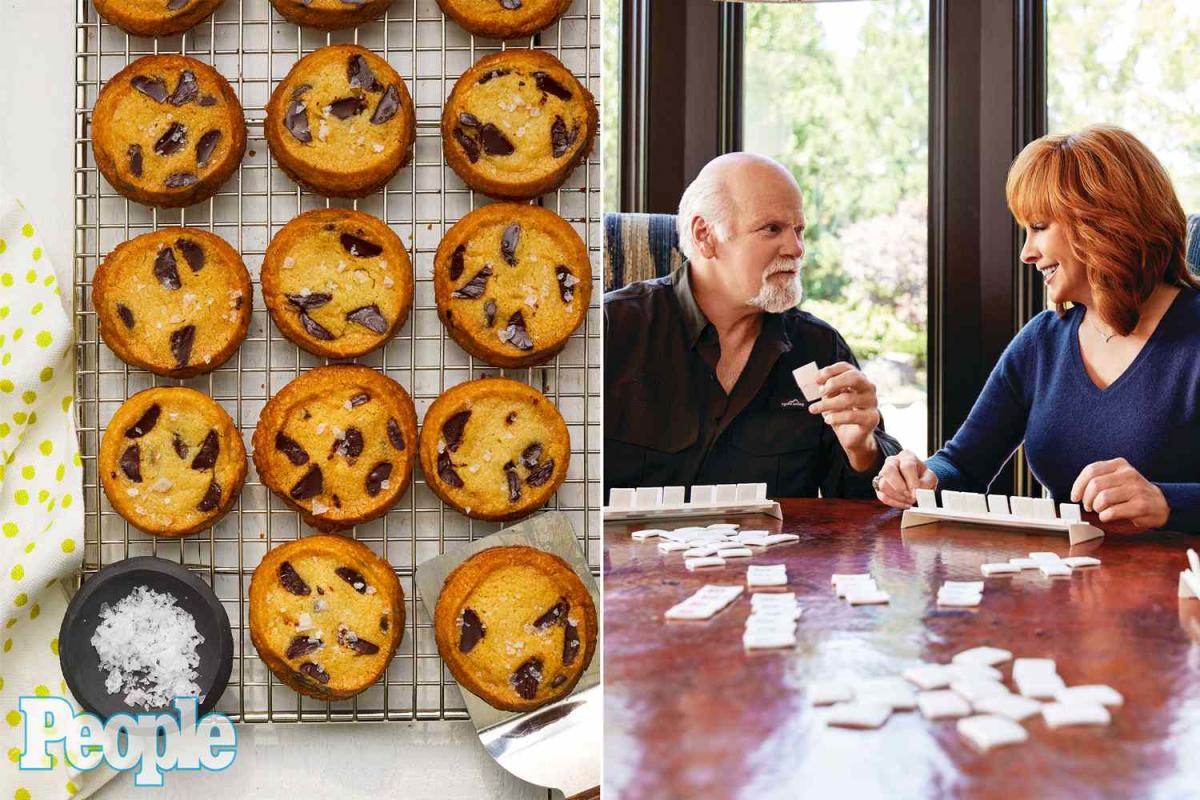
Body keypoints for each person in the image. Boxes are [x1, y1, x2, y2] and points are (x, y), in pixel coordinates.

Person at [874, 125, 1200, 532]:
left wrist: (1167, 501)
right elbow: (962, 463)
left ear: (1101, 223)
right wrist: (924, 477)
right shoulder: (1043, 341)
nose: (1027, 253)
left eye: (1040, 227)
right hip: (1068, 582)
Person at [604, 152, 901, 498]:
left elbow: (867, 516)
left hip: (776, 553)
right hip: (634, 552)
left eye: (799, 230)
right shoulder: (612, 331)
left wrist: (862, 451)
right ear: (706, 236)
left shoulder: (819, 348)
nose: (796, 247)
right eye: (772, 228)